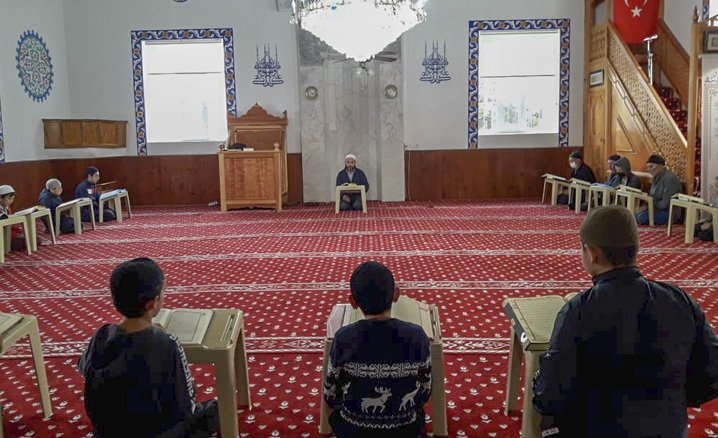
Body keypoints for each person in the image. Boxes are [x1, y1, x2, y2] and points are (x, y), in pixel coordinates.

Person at [533, 206, 718, 438]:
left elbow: (549, 395)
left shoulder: (577, 311)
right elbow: (712, 375)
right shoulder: (679, 300)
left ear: (592, 253)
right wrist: (670, 401)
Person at [77, 258, 219, 438]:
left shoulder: (101, 335)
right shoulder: (167, 344)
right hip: (158, 432)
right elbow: (186, 404)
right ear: (153, 302)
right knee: (214, 411)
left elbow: (84, 368)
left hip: (107, 431)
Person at [323, 261, 431, 438]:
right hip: (406, 430)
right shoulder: (417, 335)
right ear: (396, 294)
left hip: (352, 431)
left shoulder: (343, 338)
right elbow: (424, 391)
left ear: (353, 302)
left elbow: (330, 394)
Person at [635, 155, 683, 225]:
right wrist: (645, 206)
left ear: (662, 166)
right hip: (657, 208)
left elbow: (665, 204)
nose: (648, 169)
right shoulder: (656, 177)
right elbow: (652, 196)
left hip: (669, 212)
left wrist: (649, 207)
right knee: (634, 215)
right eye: (648, 167)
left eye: (651, 166)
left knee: (641, 217)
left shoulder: (669, 179)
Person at [0, 184, 28, 250]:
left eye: (12, 199)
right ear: (0, 198)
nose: (11, 201)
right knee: (25, 241)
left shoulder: (7, 208)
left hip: (9, 234)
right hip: (3, 235)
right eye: (9, 199)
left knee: (31, 238)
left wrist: (19, 232)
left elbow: (11, 224)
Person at [695, 175, 718, 242]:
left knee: (708, 233)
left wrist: (711, 225)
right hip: (712, 222)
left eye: (717, 186)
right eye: (715, 186)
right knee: (695, 227)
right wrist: (706, 222)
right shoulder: (714, 198)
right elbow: (711, 215)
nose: (715, 188)